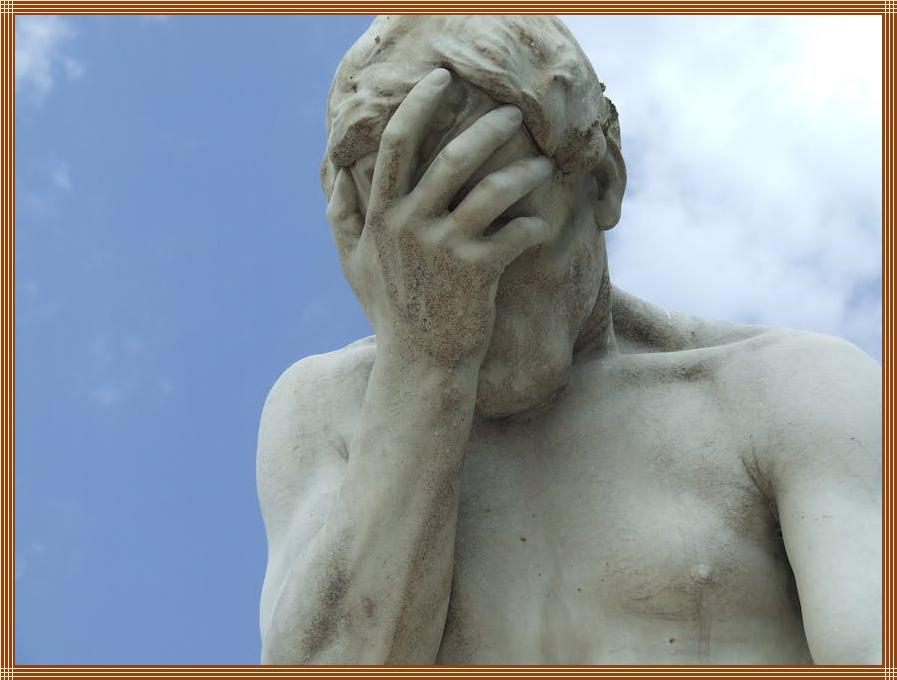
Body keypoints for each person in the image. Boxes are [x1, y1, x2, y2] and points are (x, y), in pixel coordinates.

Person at [256, 16, 881, 664]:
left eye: (499, 229)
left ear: (602, 180)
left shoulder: (785, 393)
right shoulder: (330, 409)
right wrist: (425, 360)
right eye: (422, 257)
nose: (465, 295)